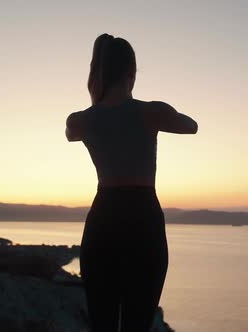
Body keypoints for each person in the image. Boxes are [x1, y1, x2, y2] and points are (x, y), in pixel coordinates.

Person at [65, 33, 198, 332]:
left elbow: (70, 133)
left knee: (102, 322)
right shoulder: (151, 112)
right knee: (138, 323)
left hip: (103, 220)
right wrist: (159, 113)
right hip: (142, 220)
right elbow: (192, 126)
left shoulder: (80, 120)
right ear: (131, 73)